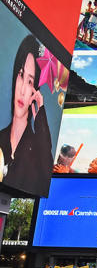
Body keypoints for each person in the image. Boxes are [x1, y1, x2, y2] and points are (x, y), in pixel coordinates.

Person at [0, 36, 54, 195]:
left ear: (35, 91)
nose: (23, 89)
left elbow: (44, 183)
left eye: (30, 82)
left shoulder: (39, 150)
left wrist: (41, 121)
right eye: (21, 74)